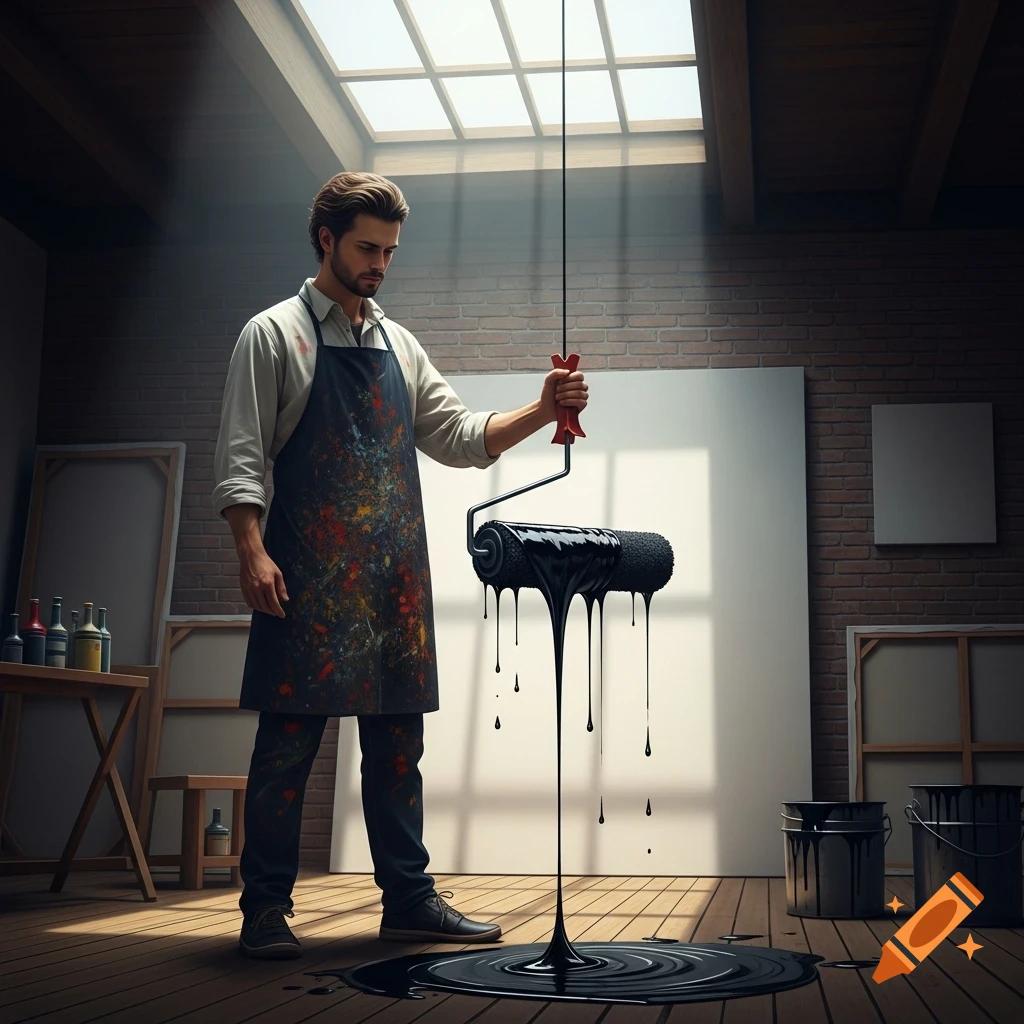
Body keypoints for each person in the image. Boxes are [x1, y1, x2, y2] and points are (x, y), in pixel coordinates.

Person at [213, 171, 589, 959]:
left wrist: (542, 407)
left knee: (397, 752)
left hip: (393, 585)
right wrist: (251, 550)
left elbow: (459, 437)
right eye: (366, 249)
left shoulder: (398, 345)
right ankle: (265, 910)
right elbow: (242, 458)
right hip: (305, 577)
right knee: (286, 750)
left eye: (389, 251)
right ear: (326, 240)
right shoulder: (273, 335)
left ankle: (409, 902)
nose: (380, 264)